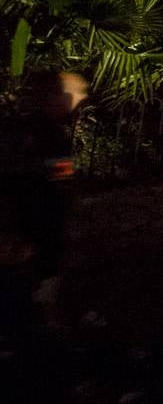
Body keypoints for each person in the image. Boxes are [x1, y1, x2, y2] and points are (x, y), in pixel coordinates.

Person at [0, 69, 87, 336]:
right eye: (75, 95)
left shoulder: (21, 127)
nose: (79, 100)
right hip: (40, 218)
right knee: (40, 273)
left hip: (20, 216)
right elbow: (62, 180)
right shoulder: (53, 135)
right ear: (58, 98)